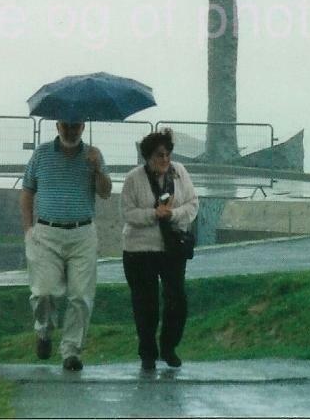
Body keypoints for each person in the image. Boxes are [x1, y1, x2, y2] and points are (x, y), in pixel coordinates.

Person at [20, 119, 112, 371]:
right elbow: (27, 191)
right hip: (47, 232)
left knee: (81, 296)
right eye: (66, 126)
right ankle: (44, 331)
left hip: (82, 232)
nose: (71, 131)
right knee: (43, 292)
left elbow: (105, 192)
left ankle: (72, 351)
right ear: (58, 126)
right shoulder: (41, 155)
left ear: (83, 127)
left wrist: (97, 170)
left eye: (76, 126)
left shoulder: (94, 155)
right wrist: (28, 229)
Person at [121, 128, 199, 370]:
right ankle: (147, 352)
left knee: (177, 301)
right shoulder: (133, 178)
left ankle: (168, 347)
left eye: (167, 154)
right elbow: (127, 213)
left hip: (171, 248)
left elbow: (193, 203)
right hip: (139, 249)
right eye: (158, 155)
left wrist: (172, 214)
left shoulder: (179, 172)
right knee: (146, 305)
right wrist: (153, 214)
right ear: (147, 157)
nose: (164, 159)